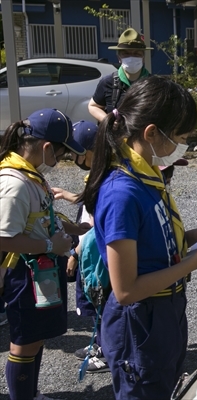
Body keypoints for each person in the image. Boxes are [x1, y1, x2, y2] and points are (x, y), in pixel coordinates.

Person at [79, 75, 197, 399]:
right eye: (180, 136)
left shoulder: (145, 174)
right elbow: (126, 291)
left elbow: (149, 241)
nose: (184, 144)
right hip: (141, 321)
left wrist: (194, 235)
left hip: (164, 312)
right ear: (151, 133)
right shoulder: (122, 192)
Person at [0, 109, 87, 400]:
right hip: (20, 274)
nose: (61, 159)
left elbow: (42, 216)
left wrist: (79, 226)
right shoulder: (14, 183)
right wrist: (51, 247)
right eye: (62, 153)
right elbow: (4, 238)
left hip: (37, 270)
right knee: (23, 343)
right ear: (47, 146)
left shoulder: (31, 175)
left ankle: (30, 393)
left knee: (35, 339)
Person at [50, 120, 111, 373]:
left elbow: (95, 223)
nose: (74, 157)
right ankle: (100, 344)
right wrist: (67, 194)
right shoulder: (100, 172)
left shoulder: (106, 175)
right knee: (97, 302)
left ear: (92, 149)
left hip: (96, 253)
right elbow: (87, 200)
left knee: (103, 301)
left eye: (77, 152)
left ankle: (108, 351)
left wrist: (74, 253)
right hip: (91, 250)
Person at [87, 28, 152, 122]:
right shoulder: (108, 82)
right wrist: (108, 121)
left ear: (143, 57)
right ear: (119, 58)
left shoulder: (153, 84)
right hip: (116, 135)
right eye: (126, 54)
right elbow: (93, 106)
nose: (131, 57)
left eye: (136, 54)